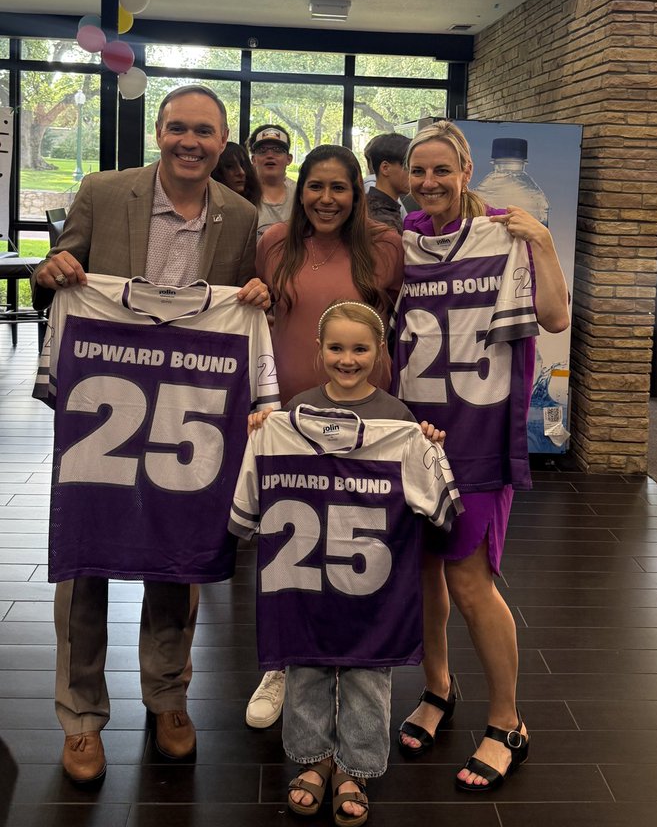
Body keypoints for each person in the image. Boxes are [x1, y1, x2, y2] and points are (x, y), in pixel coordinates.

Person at [31, 85, 271, 783]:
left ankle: (168, 698)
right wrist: (53, 274)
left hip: (185, 411)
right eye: (177, 129)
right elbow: (55, 277)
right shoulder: (103, 192)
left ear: (223, 141)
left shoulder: (242, 215)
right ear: (159, 133)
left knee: (180, 546)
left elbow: (241, 307)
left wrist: (257, 293)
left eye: (204, 131)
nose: (189, 142)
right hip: (104, 401)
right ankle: (80, 717)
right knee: (86, 551)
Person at [394, 120, 569, 792]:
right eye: (421, 171)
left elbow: (553, 319)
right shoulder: (406, 237)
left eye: (443, 169)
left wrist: (545, 245)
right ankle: (438, 688)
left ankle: (507, 723)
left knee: (469, 580)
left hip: (479, 433)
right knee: (425, 573)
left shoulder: (510, 229)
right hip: (414, 431)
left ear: (466, 170)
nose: (431, 181)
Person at [242, 299, 457, 825]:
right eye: (336, 347)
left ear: (380, 353)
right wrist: (263, 430)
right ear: (318, 352)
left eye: (360, 348)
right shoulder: (290, 417)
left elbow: (442, 512)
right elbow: (250, 506)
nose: (347, 358)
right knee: (306, 665)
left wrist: (427, 446)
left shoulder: (400, 420)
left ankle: (355, 769)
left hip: (371, 588)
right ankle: (313, 763)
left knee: (367, 674)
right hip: (305, 582)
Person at [244, 145, 403, 731]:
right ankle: (282, 665)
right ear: (300, 187)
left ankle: (356, 663)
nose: (327, 199)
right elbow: (255, 322)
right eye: (316, 187)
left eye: (339, 188)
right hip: (287, 422)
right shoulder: (273, 244)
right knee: (289, 547)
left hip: (366, 426)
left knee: (352, 546)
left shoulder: (385, 248)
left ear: (357, 193)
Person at [248, 123, 296, 239]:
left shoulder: (300, 193)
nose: (270, 155)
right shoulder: (242, 193)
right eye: (262, 150)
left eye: (277, 150)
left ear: (288, 159)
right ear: (254, 159)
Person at [363, 132, 410, 233]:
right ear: (385, 168)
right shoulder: (382, 219)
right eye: (408, 167)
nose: (413, 175)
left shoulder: (369, 205)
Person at [212, 140, 262, 207]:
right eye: (229, 166)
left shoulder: (257, 205)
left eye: (243, 165)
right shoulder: (205, 208)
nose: (241, 172)